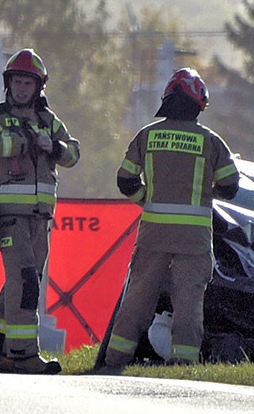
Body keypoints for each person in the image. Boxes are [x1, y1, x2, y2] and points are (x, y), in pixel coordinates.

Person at [94, 69, 239, 374]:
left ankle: (114, 360)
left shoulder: (147, 135)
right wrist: (203, 194)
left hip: (154, 233)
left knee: (138, 296)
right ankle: (184, 363)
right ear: (200, 104)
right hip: (194, 238)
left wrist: (149, 201)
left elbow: (125, 180)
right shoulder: (211, 141)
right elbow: (230, 187)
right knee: (188, 301)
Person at [0, 49, 81, 374]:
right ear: (9, 83)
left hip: (41, 218)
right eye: (17, 82)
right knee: (26, 282)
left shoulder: (50, 121)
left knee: (21, 282)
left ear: (39, 87)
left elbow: (74, 153)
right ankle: (22, 354)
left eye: (28, 83)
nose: (22, 88)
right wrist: (25, 143)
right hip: (10, 216)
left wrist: (56, 148)